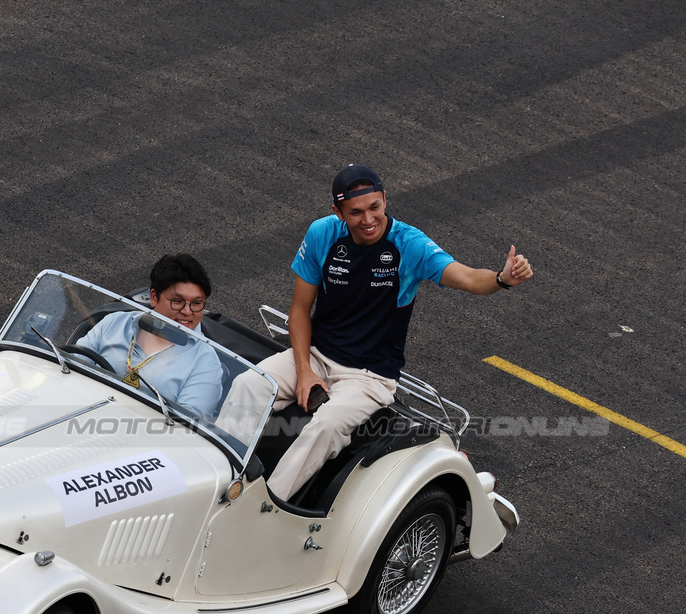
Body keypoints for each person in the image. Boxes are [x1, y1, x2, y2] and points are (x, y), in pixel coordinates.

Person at [217, 164, 534, 501]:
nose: (368, 219)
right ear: (337, 212)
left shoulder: (409, 244)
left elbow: (469, 278)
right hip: (315, 355)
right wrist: (306, 371)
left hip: (370, 377)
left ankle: (262, 508)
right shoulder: (322, 234)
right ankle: (218, 480)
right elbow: (298, 311)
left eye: (375, 207)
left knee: (324, 428)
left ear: (385, 199)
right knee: (249, 384)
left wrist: (502, 278)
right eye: (355, 212)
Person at [76, 253, 224, 418]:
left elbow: (186, 426)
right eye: (177, 301)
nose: (187, 311)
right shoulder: (115, 322)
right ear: (154, 297)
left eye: (196, 303)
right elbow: (72, 363)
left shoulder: (205, 361)